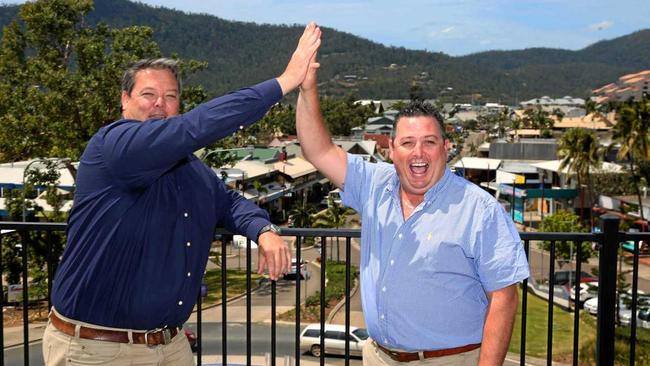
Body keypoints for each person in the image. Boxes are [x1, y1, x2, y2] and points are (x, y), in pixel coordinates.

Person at [43, 23, 321, 365]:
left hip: (169, 344)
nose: (160, 104)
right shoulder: (114, 145)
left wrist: (264, 231)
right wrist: (285, 81)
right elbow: (194, 127)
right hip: (97, 349)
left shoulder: (190, 169)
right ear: (124, 100)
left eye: (171, 96)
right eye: (148, 94)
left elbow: (229, 202)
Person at [296, 55, 529, 365]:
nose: (418, 153)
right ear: (391, 149)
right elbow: (317, 149)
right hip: (379, 357)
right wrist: (306, 86)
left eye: (429, 142)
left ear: (446, 148)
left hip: (448, 360)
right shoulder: (374, 185)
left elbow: (504, 297)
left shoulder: (479, 209)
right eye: (407, 143)